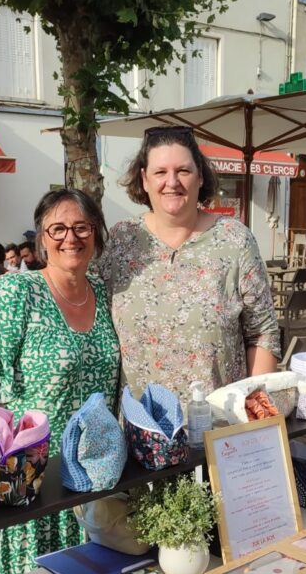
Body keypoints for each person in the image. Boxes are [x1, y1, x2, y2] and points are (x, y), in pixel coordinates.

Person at [0, 189, 120, 574]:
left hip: (92, 481)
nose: (71, 238)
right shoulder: (18, 292)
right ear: (42, 238)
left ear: (96, 233)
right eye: (58, 228)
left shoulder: (103, 290)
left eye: (82, 227)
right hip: (26, 485)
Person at [99, 125, 280, 405]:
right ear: (144, 180)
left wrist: (255, 412)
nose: (172, 182)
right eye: (160, 172)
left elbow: (262, 333)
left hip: (219, 427)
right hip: (141, 431)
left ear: (200, 178)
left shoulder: (234, 240)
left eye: (183, 171)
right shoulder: (120, 242)